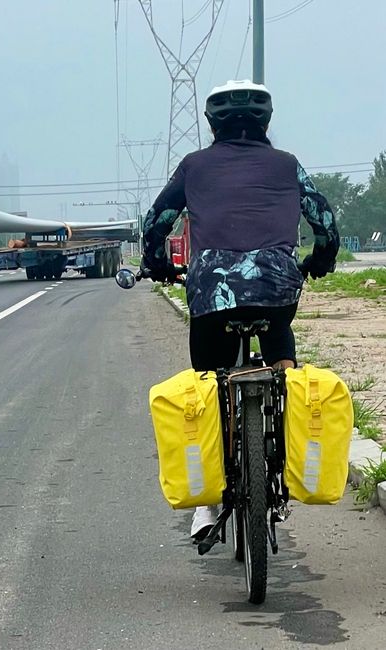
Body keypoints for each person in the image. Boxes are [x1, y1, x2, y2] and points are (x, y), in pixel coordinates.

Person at [140, 79, 340, 541]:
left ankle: (208, 505)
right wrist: (320, 262)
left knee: (209, 380)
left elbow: (155, 223)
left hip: (212, 291)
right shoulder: (288, 165)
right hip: (276, 286)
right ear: (267, 120)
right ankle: (290, 455)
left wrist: (157, 265)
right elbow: (325, 221)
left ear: (212, 123)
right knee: (282, 355)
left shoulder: (194, 166)